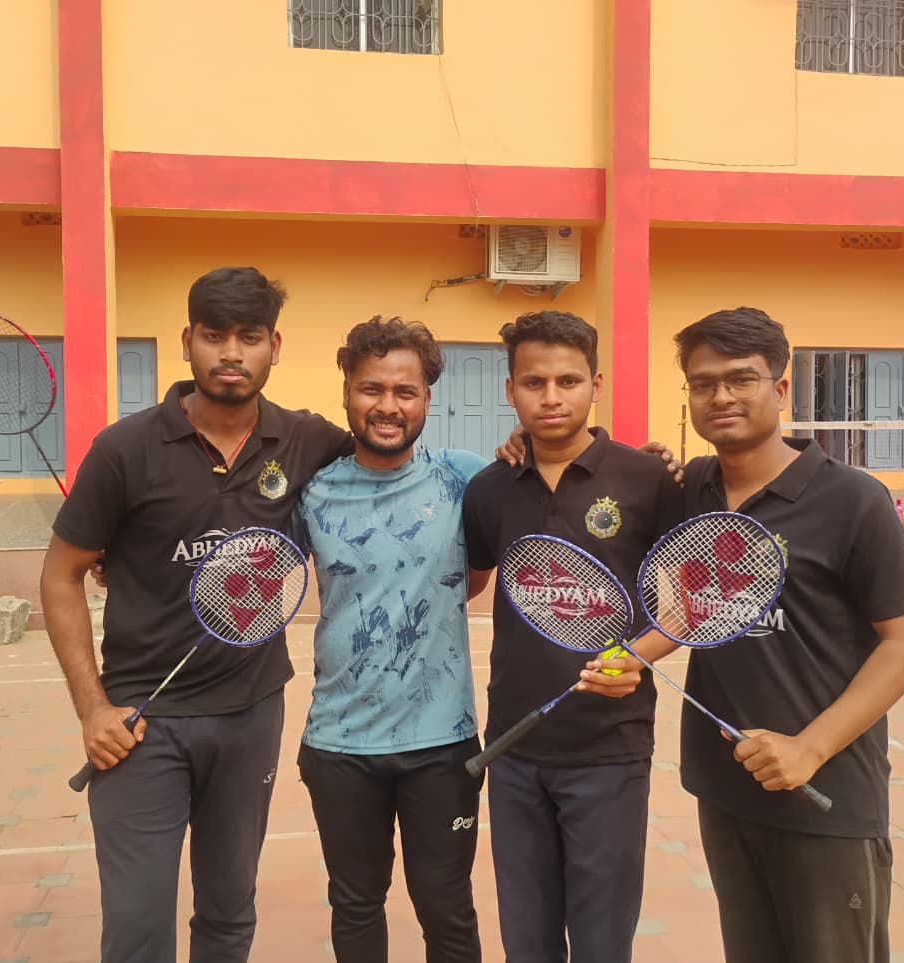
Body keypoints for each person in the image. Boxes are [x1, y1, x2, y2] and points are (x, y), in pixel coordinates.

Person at [39, 267, 358, 963]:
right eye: (214, 336)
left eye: (249, 336)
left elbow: (393, 454)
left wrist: (525, 449)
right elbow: (60, 574)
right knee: (137, 924)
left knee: (228, 912)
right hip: (139, 722)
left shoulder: (308, 441)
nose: (231, 353)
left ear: (275, 345)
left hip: (250, 713)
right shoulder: (123, 450)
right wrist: (92, 709)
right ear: (186, 342)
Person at [667, 307, 904, 963]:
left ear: (781, 388)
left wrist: (809, 748)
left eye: (741, 379)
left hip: (826, 798)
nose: (721, 396)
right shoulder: (692, 488)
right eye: (703, 383)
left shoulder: (853, 500)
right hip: (725, 790)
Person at [461, 311, 684, 963]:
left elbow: (681, 606)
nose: (551, 397)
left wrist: (635, 656)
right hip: (514, 744)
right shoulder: (489, 488)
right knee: (526, 941)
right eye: (534, 382)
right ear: (511, 390)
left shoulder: (647, 479)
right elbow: (471, 581)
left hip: (610, 748)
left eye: (568, 380)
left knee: (601, 941)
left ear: (596, 384)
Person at [294, 317, 488, 963]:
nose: (388, 406)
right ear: (346, 391)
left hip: (442, 745)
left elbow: (482, 568)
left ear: (427, 397)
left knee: (447, 908)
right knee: (355, 905)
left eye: (405, 391)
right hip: (339, 744)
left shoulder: (464, 478)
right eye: (371, 388)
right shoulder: (311, 490)